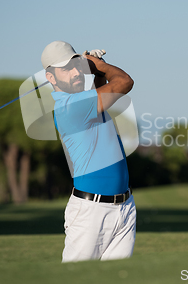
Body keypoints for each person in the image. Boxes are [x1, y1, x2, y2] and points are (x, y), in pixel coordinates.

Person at [41, 41, 136, 263]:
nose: (76, 73)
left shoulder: (84, 103)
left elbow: (100, 96)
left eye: (77, 66)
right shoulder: (70, 107)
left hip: (124, 207)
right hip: (90, 212)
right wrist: (98, 66)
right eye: (66, 69)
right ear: (51, 78)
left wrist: (96, 74)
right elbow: (124, 82)